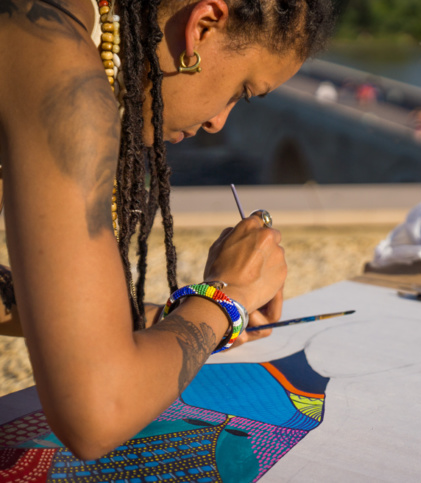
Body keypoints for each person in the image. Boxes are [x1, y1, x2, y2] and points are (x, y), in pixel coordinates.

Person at [0, 0, 335, 460]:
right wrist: (223, 299)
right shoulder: (59, 62)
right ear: (203, 26)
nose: (220, 121)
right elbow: (97, 415)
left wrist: (158, 320)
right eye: (242, 90)